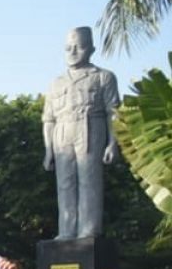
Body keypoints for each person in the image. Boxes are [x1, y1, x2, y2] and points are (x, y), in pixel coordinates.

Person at [42, 26, 121, 240]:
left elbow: (113, 113)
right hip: (62, 132)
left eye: (79, 47)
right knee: (65, 183)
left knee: (89, 180)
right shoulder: (55, 83)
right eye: (68, 47)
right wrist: (48, 150)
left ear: (91, 49)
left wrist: (112, 143)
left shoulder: (103, 77)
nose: (73, 51)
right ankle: (66, 231)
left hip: (90, 127)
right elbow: (48, 119)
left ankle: (89, 230)